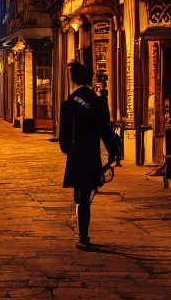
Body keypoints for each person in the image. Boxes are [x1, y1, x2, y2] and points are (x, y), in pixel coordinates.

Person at [59, 61, 118, 248]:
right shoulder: (97, 101)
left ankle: (82, 235)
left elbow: (64, 136)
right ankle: (84, 235)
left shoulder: (70, 101)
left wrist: (68, 148)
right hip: (92, 153)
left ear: (74, 80)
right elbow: (105, 130)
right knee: (87, 194)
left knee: (80, 195)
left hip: (76, 153)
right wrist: (113, 151)